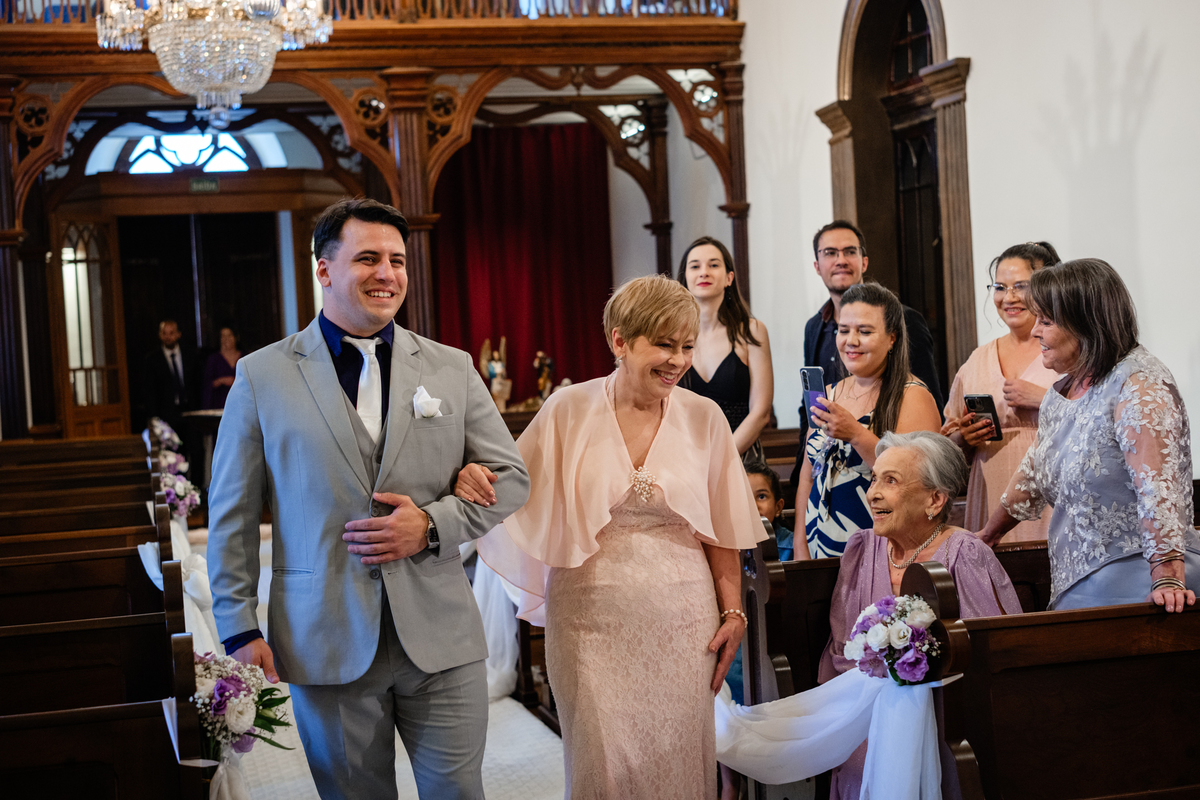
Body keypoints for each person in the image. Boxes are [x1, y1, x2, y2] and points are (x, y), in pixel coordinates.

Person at [206, 198, 530, 800]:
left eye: (397, 261)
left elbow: (512, 477)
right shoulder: (261, 376)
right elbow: (232, 514)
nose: (387, 273)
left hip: (440, 631)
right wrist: (237, 628)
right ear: (324, 269)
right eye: (368, 259)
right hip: (323, 635)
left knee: (459, 792)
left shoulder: (451, 367)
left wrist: (431, 523)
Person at [475, 275, 765, 800]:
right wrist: (466, 481)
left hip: (683, 622)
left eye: (687, 346)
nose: (677, 361)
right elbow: (510, 489)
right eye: (664, 344)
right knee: (600, 767)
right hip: (588, 623)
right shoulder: (567, 410)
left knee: (680, 764)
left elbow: (723, 528)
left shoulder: (705, 417)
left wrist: (733, 612)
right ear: (620, 341)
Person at [978, 258, 1199, 613]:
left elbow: (1157, 486)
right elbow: (1034, 471)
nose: (1035, 332)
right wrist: (989, 534)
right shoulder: (1064, 389)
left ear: (1085, 324)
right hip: (1079, 580)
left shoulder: (1139, 385)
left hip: (1138, 579)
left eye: (1046, 321)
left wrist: (1167, 576)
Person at [819, 431, 1023, 799]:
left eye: (891, 481)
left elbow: (993, 656)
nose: (873, 493)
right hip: (865, 715)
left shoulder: (964, 554)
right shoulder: (862, 549)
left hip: (948, 723)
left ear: (935, 499)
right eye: (874, 479)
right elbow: (841, 651)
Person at [793, 221, 944, 499]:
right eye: (830, 253)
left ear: (864, 261)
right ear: (817, 265)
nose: (840, 260)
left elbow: (923, 449)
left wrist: (856, 433)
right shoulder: (814, 327)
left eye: (849, 251)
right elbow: (809, 414)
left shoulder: (905, 321)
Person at [795, 282, 941, 559]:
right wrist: (800, 547)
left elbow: (915, 485)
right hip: (818, 549)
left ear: (892, 338)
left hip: (879, 552)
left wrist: (856, 434)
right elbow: (807, 476)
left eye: (864, 331)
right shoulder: (829, 393)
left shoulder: (912, 396)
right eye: (844, 330)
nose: (851, 341)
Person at [941, 242, 1062, 542]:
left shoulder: (1067, 351)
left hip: (1052, 494)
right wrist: (964, 438)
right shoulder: (976, 360)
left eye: (1021, 286)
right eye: (999, 287)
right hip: (990, 494)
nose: (1009, 298)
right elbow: (945, 444)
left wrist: (1043, 399)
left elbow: (1096, 418)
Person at [677, 236, 774, 462]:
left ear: (729, 277)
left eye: (713, 265)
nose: (704, 272)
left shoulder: (752, 331)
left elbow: (760, 412)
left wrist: (720, 457)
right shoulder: (672, 337)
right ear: (685, 279)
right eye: (695, 266)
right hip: (685, 457)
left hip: (741, 455)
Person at [744, 460, 807, 563]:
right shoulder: (727, 547)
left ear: (778, 507)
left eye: (761, 496)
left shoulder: (794, 546)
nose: (753, 506)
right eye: (744, 497)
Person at [140, 318, 195, 432]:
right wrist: (154, 417)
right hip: (166, 414)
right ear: (160, 335)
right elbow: (149, 390)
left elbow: (196, 383)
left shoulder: (190, 355)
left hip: (189, 411)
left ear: (178, 334)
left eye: (171, 333)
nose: (168, 337)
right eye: (164, 333)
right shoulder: (152, 360)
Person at [201, 326, 241, 410]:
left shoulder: (244, 357)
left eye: (229, 335)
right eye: (223, 336)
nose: (226, 339)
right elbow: (207, 384)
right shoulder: (213, 359)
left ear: (236, 337)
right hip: (219, 404)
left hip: (241, 403)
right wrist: (222, 381)